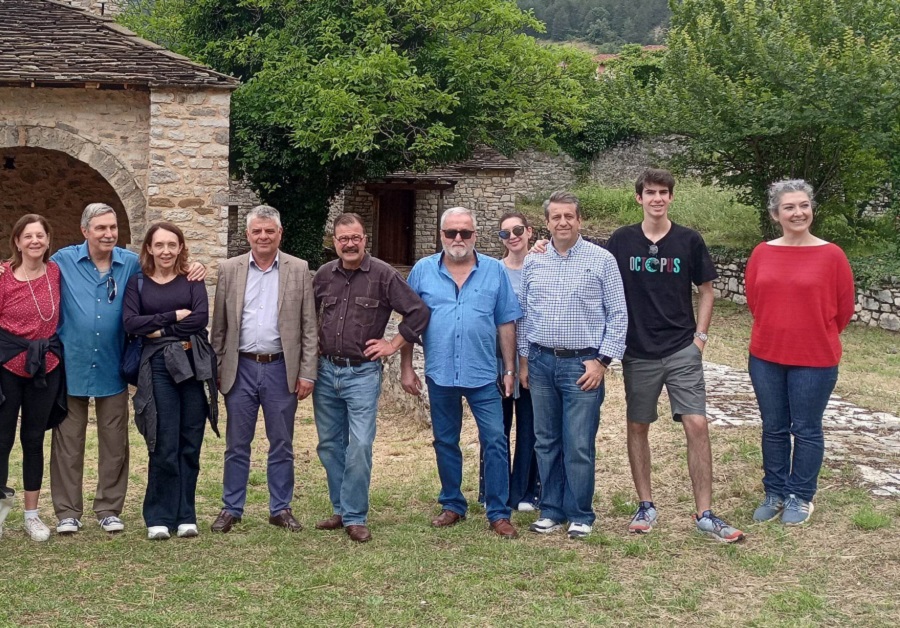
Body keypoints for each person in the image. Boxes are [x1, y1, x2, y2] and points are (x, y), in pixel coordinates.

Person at [48, 203, 204, 536]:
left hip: (113, 365)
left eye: (113, 227)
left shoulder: (131, 263)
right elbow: (31, 267)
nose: (108, 234)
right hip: (72, 364)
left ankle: (108, 509)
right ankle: (67, 512)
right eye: (101, 228)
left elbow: (165, 269)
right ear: (85, 230)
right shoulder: (62, 260)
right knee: (68, 442)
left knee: (115, 441)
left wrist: (196, 266)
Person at [605, 169, 744, 542]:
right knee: (638, 425)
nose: (657, 198)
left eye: (663, 192)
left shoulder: (688, 240)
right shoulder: (621, 240)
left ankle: (705, 513)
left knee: (697, 424)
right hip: (638, 351)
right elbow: (595, 272)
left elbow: (707, 290)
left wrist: (700, 339)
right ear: (639, 198)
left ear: (671, 197)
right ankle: (646, 505)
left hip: (682, 347)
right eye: (650, 192)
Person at [400, 207, 522, 539]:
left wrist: (509, 369)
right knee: (445, 440)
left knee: (495, 440)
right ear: (441, 235)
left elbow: (506, 322)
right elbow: (410, 322)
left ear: (474, 236)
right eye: (451, 232)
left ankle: (498, 512)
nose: (458, 238)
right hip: (440, 373)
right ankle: (453, 504)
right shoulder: (422, 271)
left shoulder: (495, 271)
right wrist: (406, 367)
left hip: (483, 374)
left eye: (465, 233)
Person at [312, 213, 429, 543]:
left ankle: (355, 516)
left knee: (360, 444)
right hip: (325, 371)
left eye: (355, 238)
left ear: (365, 239)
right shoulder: (323, 275)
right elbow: (306, 316)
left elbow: (418, 312)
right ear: (334, 242)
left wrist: (393, 343)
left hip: (362, 373)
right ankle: (341, 509)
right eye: (343, 239)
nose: (349, 244)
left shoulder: (383, 275)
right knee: (330, 445)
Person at [518, 191, 628, 539]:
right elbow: (524, 314)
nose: (563, 222)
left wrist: (602, 361)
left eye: (569, 216)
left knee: (578, 443)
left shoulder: (602, 260)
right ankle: (551, 509)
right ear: (547, 223)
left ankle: (580, 513)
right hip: (540, 362)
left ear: (580, 220)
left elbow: (619, 314)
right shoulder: (534, 261)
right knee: (545, 441)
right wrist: (524, 360)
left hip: (583, 365)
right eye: (556, 217)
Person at [745, 179, 855, 526]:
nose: (798, 212)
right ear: (775, 214)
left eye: (804, 205)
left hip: (815, 359)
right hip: (766, 357)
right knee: (774, 427)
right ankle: (775, 492)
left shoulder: (832, 255)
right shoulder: (762, 253)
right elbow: (755, 300)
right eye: (789, 207)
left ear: (811, 209)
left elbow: (843, 309)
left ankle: (801, 495)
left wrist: (811, 333)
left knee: (806, 429)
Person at [210, 205, 318, 533]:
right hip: (239, 367)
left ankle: (280, 508)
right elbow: (220, 327)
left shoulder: (298, 269)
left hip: (280, 368)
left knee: (282, 442)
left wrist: (307, 372)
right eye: (257, 231)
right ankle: (231, 508)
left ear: (280, 234)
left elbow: (309, 326)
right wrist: (216, 368)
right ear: (247, 235)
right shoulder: (229, 269)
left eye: (269, 231)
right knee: (236, 444)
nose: (263, 236)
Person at [123, 222, 218, 540]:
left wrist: (159, 330)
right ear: (149, 248)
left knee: (190, 440)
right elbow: (131, 323)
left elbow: (200, 319)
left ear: (180, 248)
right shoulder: (138, 283)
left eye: (172, 245)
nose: (166, 251)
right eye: (159, 245)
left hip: (192, 365)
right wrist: (173, 316)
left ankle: (186, 515)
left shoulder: (192, 280)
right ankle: (159, 516)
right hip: (158, 368)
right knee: (163, 441)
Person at [0, 215, 66, 542]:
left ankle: (32, 515)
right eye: (28, 236)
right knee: (2, 440)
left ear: (48, 240)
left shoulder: (56, 272)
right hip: (7, 367)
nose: (35, 241)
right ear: (17, 241)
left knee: (33, 439)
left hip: (46, 367)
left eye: (40, 235)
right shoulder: (3, 277)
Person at [477, 212, 541, 512]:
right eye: (505, 233)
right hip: (497, 358)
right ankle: (493, 490)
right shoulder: (493, 270)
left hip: (532, 357)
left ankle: (525, 492)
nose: (512, 237)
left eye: (517, 230)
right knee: (495, 427)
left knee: (530, 426)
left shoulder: (542, 264)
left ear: (529, 231)